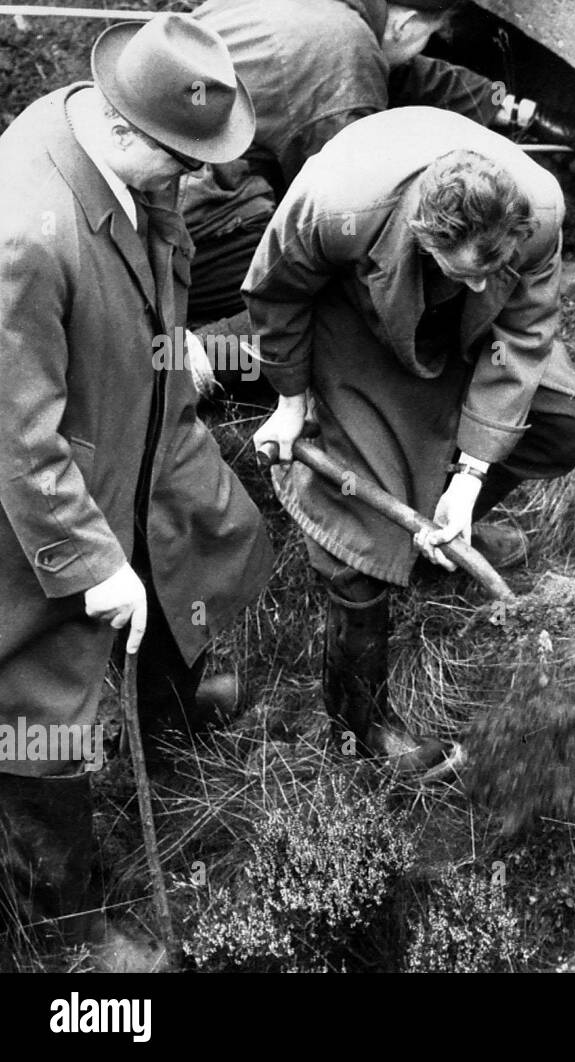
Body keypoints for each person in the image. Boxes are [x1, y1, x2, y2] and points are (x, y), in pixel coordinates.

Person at [0, 15, 274, 957]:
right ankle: (63, 918)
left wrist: (175, 348)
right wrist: (84, 561)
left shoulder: (102, 132)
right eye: (185, 163)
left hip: (133, 423)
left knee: (196, 546)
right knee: (43, 714)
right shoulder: (24, 234)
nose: (198, 182)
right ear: (124, 129)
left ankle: (169, 704)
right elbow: (15, 434)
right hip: (35, 497)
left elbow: (156, 257)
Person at [247, 106, 575, 779]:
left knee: (564, 420)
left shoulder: (539, 207)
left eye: (491, 268)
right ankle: (361, 729)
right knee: (354, 537)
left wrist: (470, 479)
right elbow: (277, 291)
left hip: (467, 334)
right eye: (463, 268)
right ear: (425, 233)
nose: (480, 282)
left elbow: (522, 337)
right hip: (354, 318)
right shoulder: (338, 205)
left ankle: (437, 532)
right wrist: (291, 399)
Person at [183, 0, 575, 324]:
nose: (427, 45)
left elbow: (404, 73)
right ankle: (196, 357)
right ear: (404, 24)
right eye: (431, 33)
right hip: (196, 221)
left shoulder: (333, 19)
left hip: (176, 178)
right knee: (342, 286)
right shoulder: (340, 58)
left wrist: (525, 113)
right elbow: (361, 216)